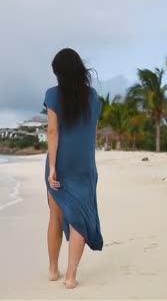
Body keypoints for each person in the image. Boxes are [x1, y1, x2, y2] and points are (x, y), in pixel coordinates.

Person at [44, 48, 103, 289]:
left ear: (59, 73)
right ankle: (70, 277)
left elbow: (53, 131)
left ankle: (52, 269)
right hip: (84, 163)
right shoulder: (93, 97)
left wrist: (52, 168)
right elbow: (91, 130)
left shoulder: (52, 94)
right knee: (79, 218)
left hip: (60, 161)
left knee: (56, 216)